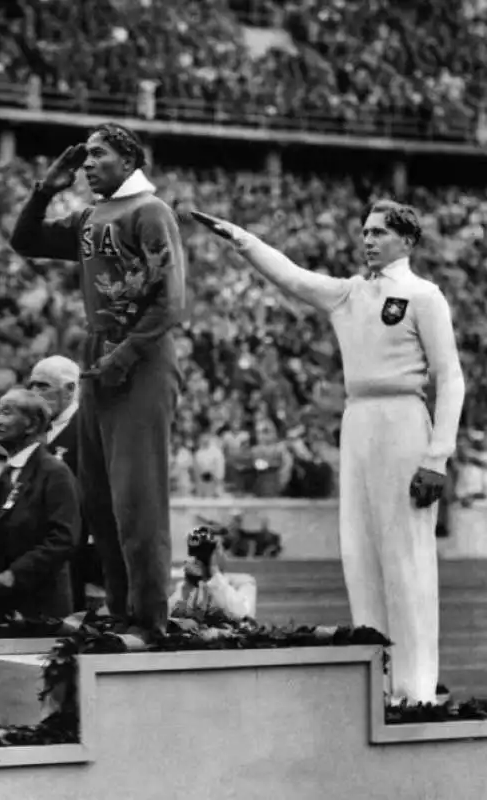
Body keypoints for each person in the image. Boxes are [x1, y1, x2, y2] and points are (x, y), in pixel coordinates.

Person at [193, 200, 465, 706]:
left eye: (380, 232)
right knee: (358, 551)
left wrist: (437, 456)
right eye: (364, 231)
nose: (367, 240)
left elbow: (450, 376)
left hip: (404, 417)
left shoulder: (424, 296)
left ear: (406, 241)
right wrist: (241, 239)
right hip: (358, 419)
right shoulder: (348, 294)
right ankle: (375, 677)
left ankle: (416, 688)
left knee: (405, 555)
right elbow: (292, 276)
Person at [10, 123, 186, 641]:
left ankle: (150, 619)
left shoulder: (149, 212)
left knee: (138, 496)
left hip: (142, 356)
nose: (87, 163)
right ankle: (119, 607)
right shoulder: (91, 216)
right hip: (99, 352)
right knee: (101, 498)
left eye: (99, 154)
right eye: (85, 155)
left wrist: (125, 355)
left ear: (130, 160)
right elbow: (26, 240)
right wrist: (46, 189)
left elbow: (170, 301)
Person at [0, 389, 79, 621]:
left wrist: (16, 574)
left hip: (39, 611)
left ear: (31, 425)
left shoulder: (55, 472)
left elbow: (63, 539)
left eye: (7, 413)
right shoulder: (9, 472)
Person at [27, 355, 105, 611]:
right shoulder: (35, 429)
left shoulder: (88, 426)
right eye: (32, 386)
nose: (35, 393)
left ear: (70, 389)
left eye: (43, 386)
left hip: (73, 544)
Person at [168, 527, 256, 621]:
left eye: (216, 549)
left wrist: (215, 574)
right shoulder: (190, 585)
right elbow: (167, 614)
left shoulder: (244, 582)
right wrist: (187, 588)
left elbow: (240, 613)